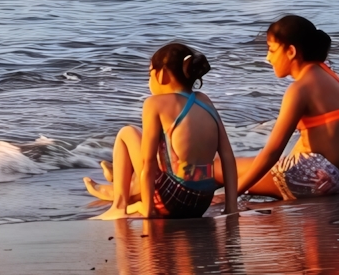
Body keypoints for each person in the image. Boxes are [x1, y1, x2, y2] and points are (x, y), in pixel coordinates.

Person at [83, 43, 238, 218]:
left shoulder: (154, 103)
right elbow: (227, 157)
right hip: (201, 201)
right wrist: (231, 207)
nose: (149, 80)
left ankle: (119, 205)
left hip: (172, 200)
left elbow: (148, 162)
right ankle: (122, 182)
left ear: (162, 75)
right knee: (168, 149)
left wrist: (149, 211)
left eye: (150, 74)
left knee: (127, 132)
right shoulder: (205, 101)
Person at [220, 15, 339, 201]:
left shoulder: (300, 89)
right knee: (241, 172)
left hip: (312, 179)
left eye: (272, 49)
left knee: (218, 168)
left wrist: (232, 195)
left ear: (291, 51)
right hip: (335, 180)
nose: (268, 58)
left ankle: (187, 210)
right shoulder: (330, 78)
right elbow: (315, 142)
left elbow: (272, 153)